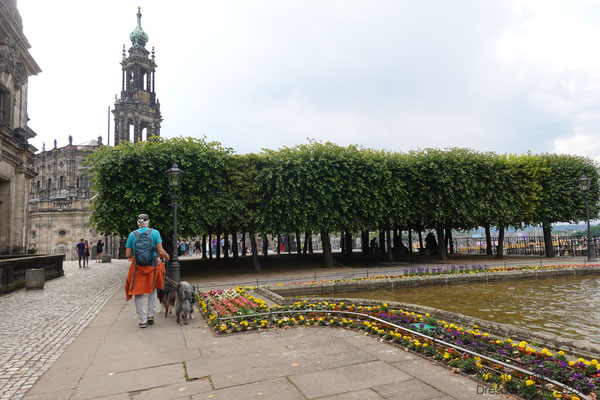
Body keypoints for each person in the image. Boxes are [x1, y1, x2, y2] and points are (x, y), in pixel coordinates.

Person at [124, 214, 170, 328]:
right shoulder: (155, 233)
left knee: (138, 292)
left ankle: (142, 320)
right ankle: (150, 315)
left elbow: (127, 254)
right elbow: (161, 251)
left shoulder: (132, 235)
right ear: (148, 222)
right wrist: (167, 257)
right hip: (152, 266)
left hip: (138, 267)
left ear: (138, 223)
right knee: (152, 290)